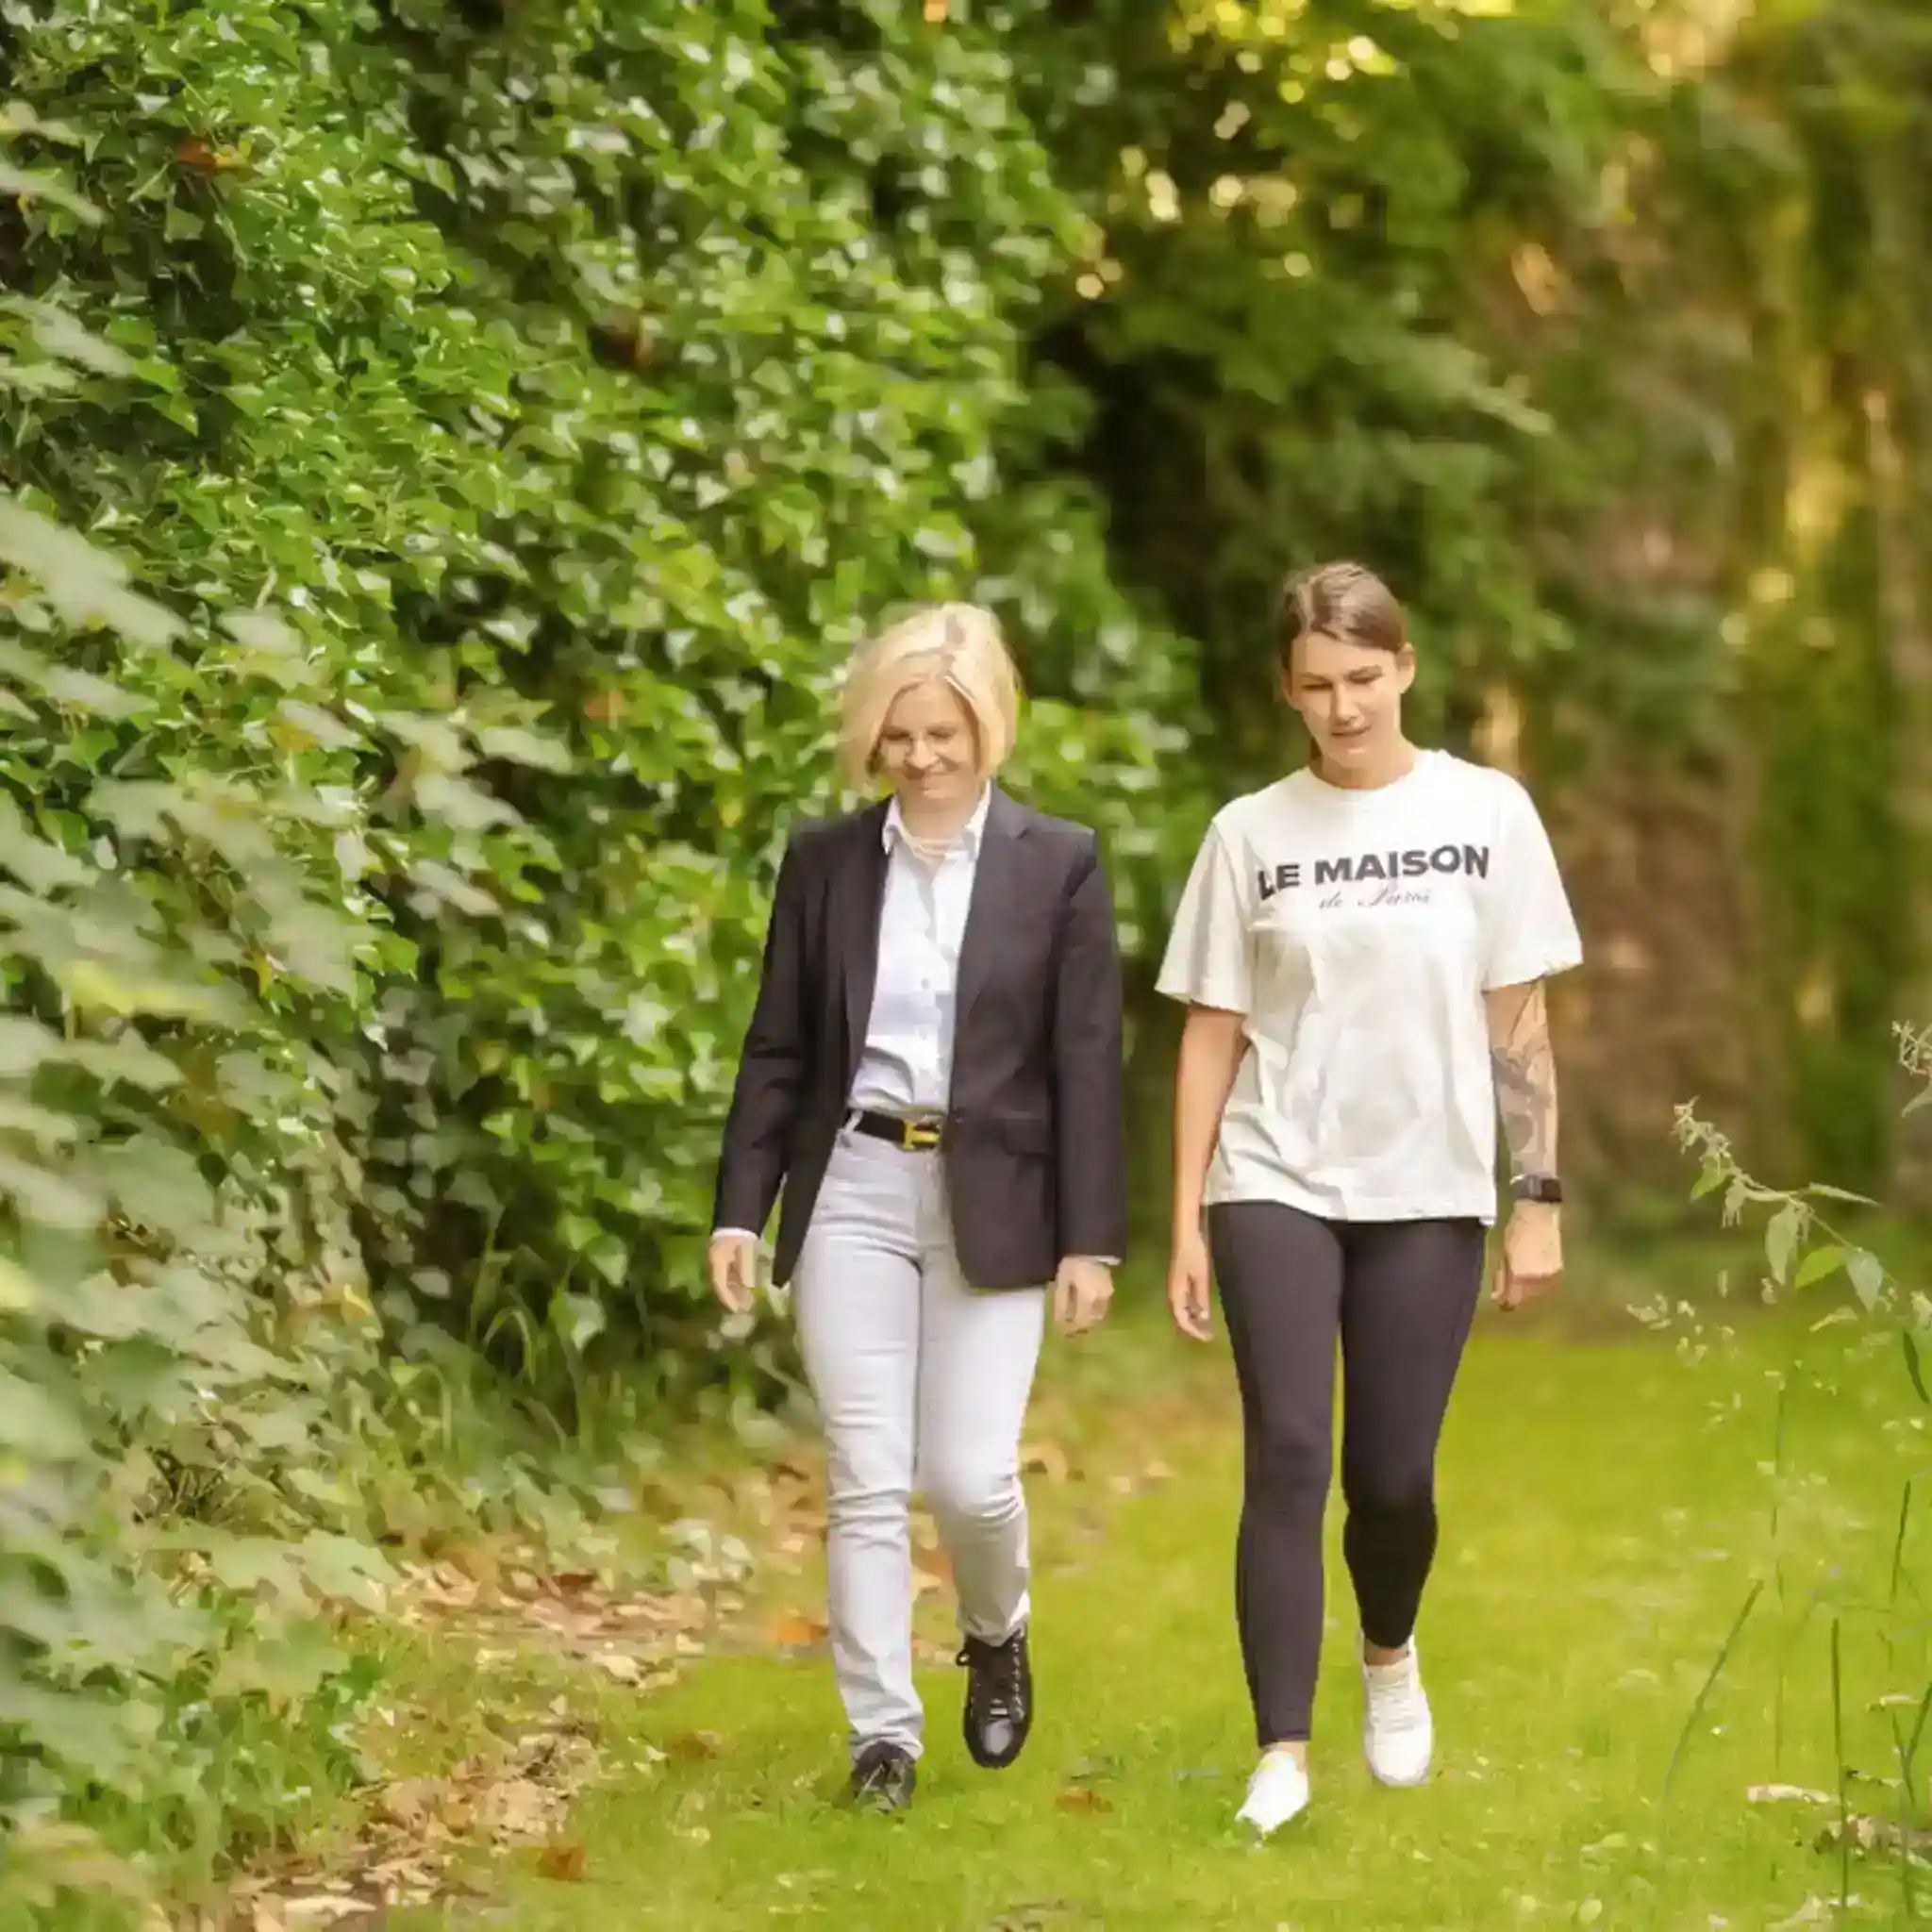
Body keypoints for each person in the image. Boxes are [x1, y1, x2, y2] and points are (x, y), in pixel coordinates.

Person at [1158, 560, 1582, 1837]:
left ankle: (1388, 1653)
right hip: (1275, 1174)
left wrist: (1539, 1196)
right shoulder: (1249, 834)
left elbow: (1520, 1019)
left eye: (1362, 679)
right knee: (1287, 1451)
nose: (1342, 708)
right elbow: (1211, 1035)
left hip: (1429, 1184)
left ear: (1402, 668)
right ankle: (1280, 1750)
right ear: (1286, 693)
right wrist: (1182, 1214)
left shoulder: (1488, 813)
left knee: (1389, 1478)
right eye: (1315, 687)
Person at [708, 603, 1127, 1813]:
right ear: (872, 740)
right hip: (854, 1182)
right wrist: (743, 1207)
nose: (924, 758)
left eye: (944, 732)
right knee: (864, 1470)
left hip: (999, 1196)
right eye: (900, 736)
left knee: (969, 1475)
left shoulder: (1060, 862)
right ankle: (879, 1735)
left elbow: (1085, 1060)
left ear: (987, 724)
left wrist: (1088, 1237)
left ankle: (996, 1630)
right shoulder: (825, 860)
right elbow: (778, 1045)